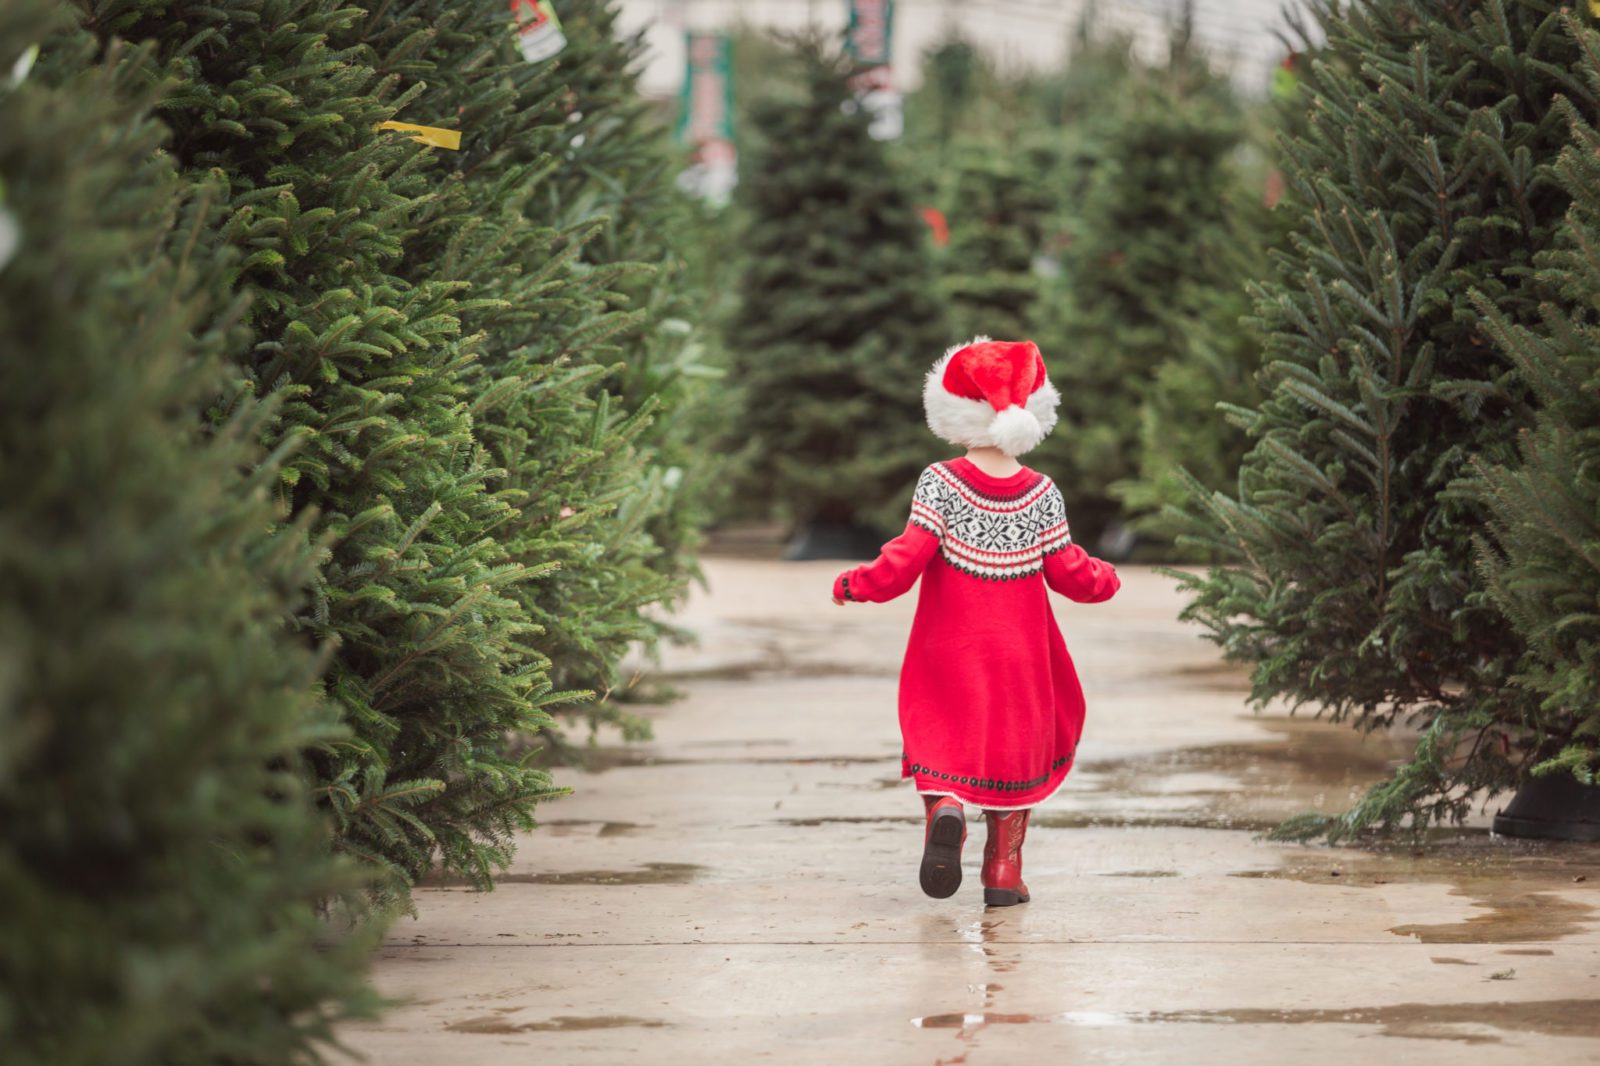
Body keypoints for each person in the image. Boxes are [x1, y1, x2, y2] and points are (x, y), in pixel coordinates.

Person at [831, 337, 1120, 906]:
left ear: (953, 415)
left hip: (948, 649)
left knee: (943, 740)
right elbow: (1072, 576)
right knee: (1013, 751)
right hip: (1020, 655)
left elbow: (904, 560)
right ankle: (1004, 872)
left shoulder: (940, 482)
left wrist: (854, 584)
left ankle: (946, 810)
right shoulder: (1042, 492)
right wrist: (1107, 576)